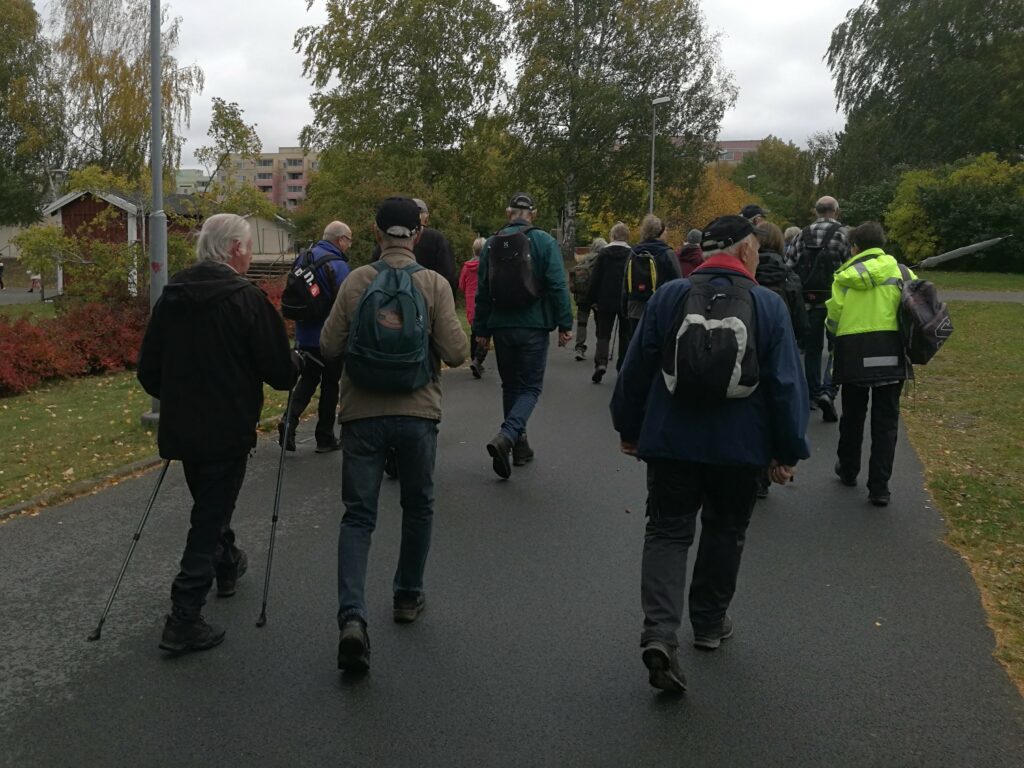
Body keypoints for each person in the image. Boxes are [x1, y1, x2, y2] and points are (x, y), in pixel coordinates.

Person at [611, 214, 809, 693]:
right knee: (726, 529)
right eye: (756, 249)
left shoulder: (670, 297)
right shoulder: (767, 304)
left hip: (672, 441)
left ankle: (659, 632)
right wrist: (786, 450)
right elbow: (785, 384)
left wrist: (629, 427)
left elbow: (636, 367)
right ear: (744, 251)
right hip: (740, 447)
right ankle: (708, 622)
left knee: (667, 531)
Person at [137, 213, 298, 654]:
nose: (249, 254)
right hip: (227, 429)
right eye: (247, 246)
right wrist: (299, 365)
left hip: (184, 429)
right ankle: (184, 615)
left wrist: (180, 397)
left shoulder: (172, 296)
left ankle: (227, 565)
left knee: (210, 506)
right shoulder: (247, 300)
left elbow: (149, 371)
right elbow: (281, 373)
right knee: (209, 515)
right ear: (233, 250)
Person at [320, 197, 468, 673]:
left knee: (358, 516)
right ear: (417, 235)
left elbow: (328, 345)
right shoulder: (433, 284)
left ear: (376, 231)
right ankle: (406, 596)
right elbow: (457, 351)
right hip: (417, 412)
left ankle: (352, 618)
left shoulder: (357, 281)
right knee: (418, 505)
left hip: (360, 414)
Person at [473, 192, 574, 478]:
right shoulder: (543, 241)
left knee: (510, 387)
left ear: (508, 214)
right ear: (533, 213)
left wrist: (481, 330)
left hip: (502, 326)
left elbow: (483, 291)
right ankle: (507, 436)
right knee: (530, 388)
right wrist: (565, 324)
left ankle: (519, 447)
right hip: (533, 326)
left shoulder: (492, 244)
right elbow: (556, 284)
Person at [826, 221, 911, 508]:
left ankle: (848, 470)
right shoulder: (903, 273)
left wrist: (834, 335)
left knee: (852, 416)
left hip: (853, 353)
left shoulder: (843, 276)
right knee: (886, 423)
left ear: (856, 247)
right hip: (891, 352)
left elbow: (834, 318)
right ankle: (880, 488)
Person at [277, 221, 352, 452]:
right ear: (340, 240)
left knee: (308, 380)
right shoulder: (337, 265)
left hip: (303, 334)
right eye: (349, 240)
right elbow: (345, 304)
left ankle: (288, 420)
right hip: (328, 336)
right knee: (330, 385)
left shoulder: (304, 258)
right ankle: (325, 437)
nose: (349, 245)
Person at [753, 222, 809, 499]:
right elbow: (800, 320)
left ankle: (752, 472)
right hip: (780, 346)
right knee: (778, 406)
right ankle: (770, 466)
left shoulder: (747, 273)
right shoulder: (788, 275)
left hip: (749, 348)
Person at [791, 195, 849, 423]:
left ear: (816, 211)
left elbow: (789, 265)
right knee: (837, 348)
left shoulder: (800, 235)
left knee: (813, 349)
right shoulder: (844, 235)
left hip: (809, 301)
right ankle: (828, 389)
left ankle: (813, 393)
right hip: (837, 301)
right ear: (836, 211)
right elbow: (852, 266)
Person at [622, 214, 681, 349]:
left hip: (635, 307)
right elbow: (678, 282)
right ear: (660, 232)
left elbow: (625, 283)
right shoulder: (667, 253)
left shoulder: (634, 253)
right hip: (661, 307)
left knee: (637, 346)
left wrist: (625, 308)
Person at [583, 225, 631, 382]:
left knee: (603, 334)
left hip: (605, 299)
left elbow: (595, 278)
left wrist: (590, 300)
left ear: (612, 236)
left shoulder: (604, 254)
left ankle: (601, 364)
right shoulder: (632, 253)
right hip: (625, 300)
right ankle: (622, 366)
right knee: (625, 334)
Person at [570, 237, 606, 361]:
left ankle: (579, 348)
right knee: (600, 323)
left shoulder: (585, 259)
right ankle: (601, 349)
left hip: (583, 296)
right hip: (597, 296)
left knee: (582, 323)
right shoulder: (603, 260)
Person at [459, 236, 488, 377]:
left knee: (474, 331)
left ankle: (473, 359)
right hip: (484, 300)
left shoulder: (466, 267)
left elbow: (461, 285)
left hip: (471, 302)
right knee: (485, 333)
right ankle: (478, 360)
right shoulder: (487, 265)